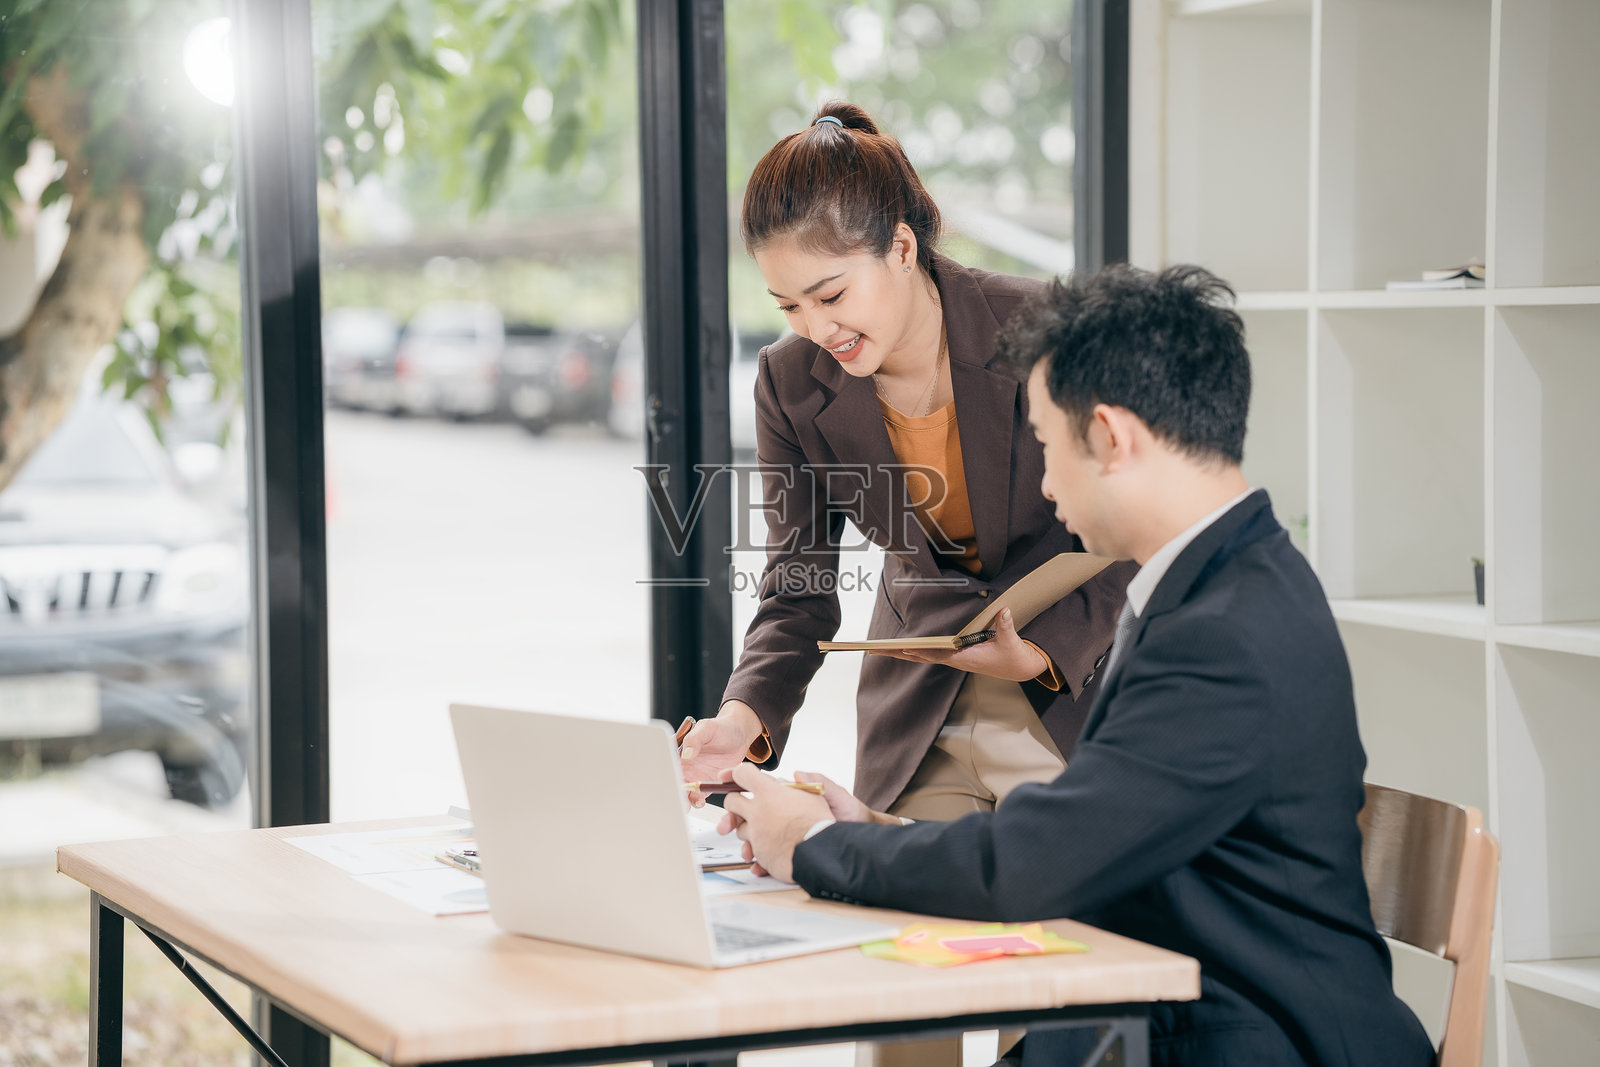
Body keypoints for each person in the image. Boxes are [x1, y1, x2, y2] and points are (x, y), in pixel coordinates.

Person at [716, 264, 1437, 1067]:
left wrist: (812, 843)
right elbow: (1096, 834)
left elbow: (1033, 867)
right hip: (1171, 1019)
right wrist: (871, 831)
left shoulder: (1224, 635)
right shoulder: (1217, 582)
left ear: (1112, 437)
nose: (1047, 483)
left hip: (1246, 1040)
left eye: (1050, 445)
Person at [679, 101, 1132, 830]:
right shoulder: (790, 382)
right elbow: (797, 586)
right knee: (902, 931)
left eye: (830, 295)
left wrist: (1040, 652)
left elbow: (1140, 523)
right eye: (789, 305)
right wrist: (740, 718)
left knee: (1077, 932)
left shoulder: (1047, 327)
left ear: (899, 247)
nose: (817, 329)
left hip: (1070, 696)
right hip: (921, 714)